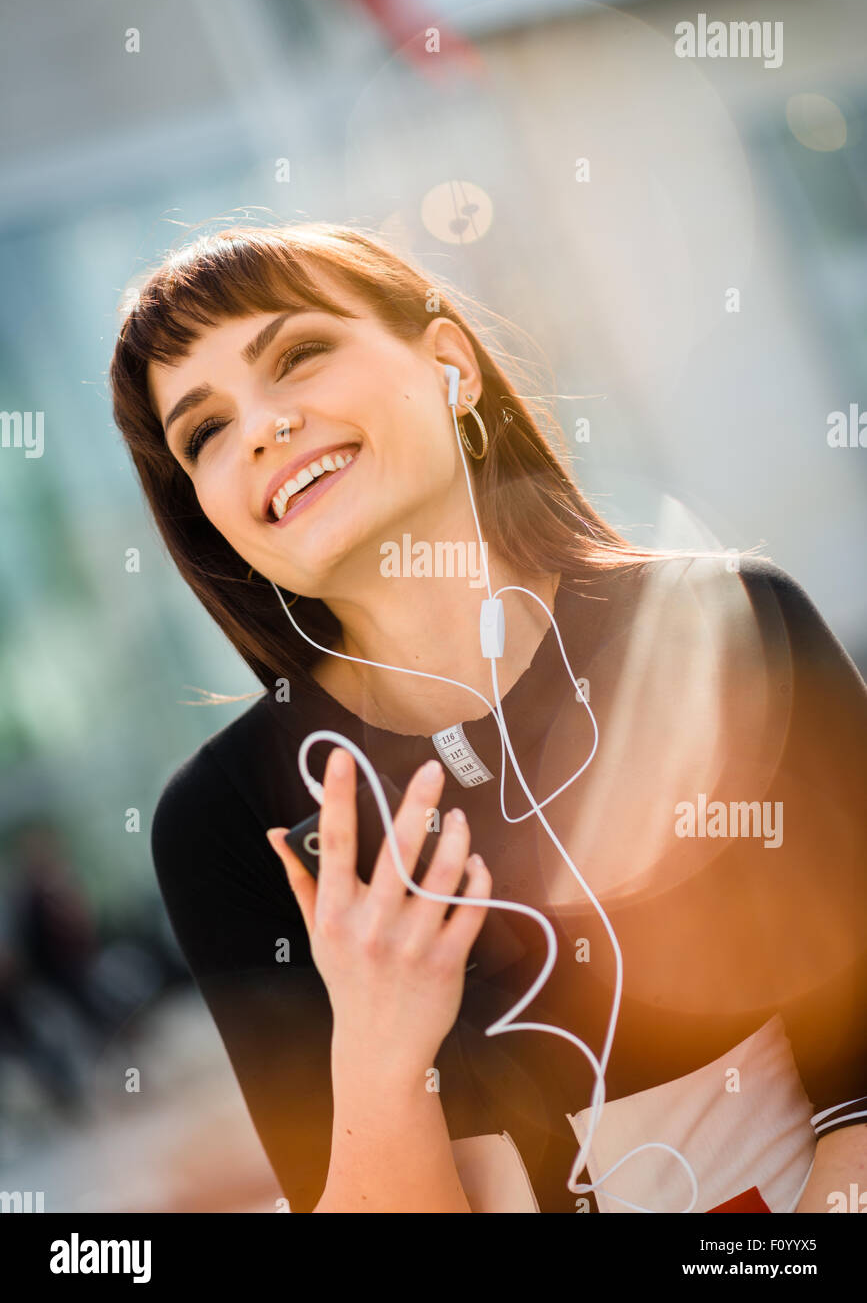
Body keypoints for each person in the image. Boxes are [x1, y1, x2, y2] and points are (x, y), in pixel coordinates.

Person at [109, 222, 867, 1213]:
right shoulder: (227, 820)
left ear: (448, 363)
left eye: (296, 355)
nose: (260, 428)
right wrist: (382, 1051)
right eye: (204, 433)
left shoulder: (734, 627)